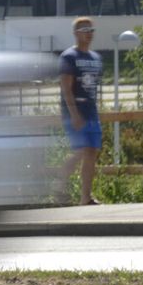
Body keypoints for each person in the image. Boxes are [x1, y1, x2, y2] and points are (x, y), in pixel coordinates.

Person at [58, 16, 103, 205]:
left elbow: (94, 87)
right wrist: (74, 114)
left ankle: (86, 197)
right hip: (74, 113)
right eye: (84, 30)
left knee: (91, 152)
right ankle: (59, 188)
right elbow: (66, 88)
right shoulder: (69, 57)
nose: (89, 34)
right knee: (80, 151)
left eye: (91, 30)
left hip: (91, 111)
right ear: (76, 33)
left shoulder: (96, 58)